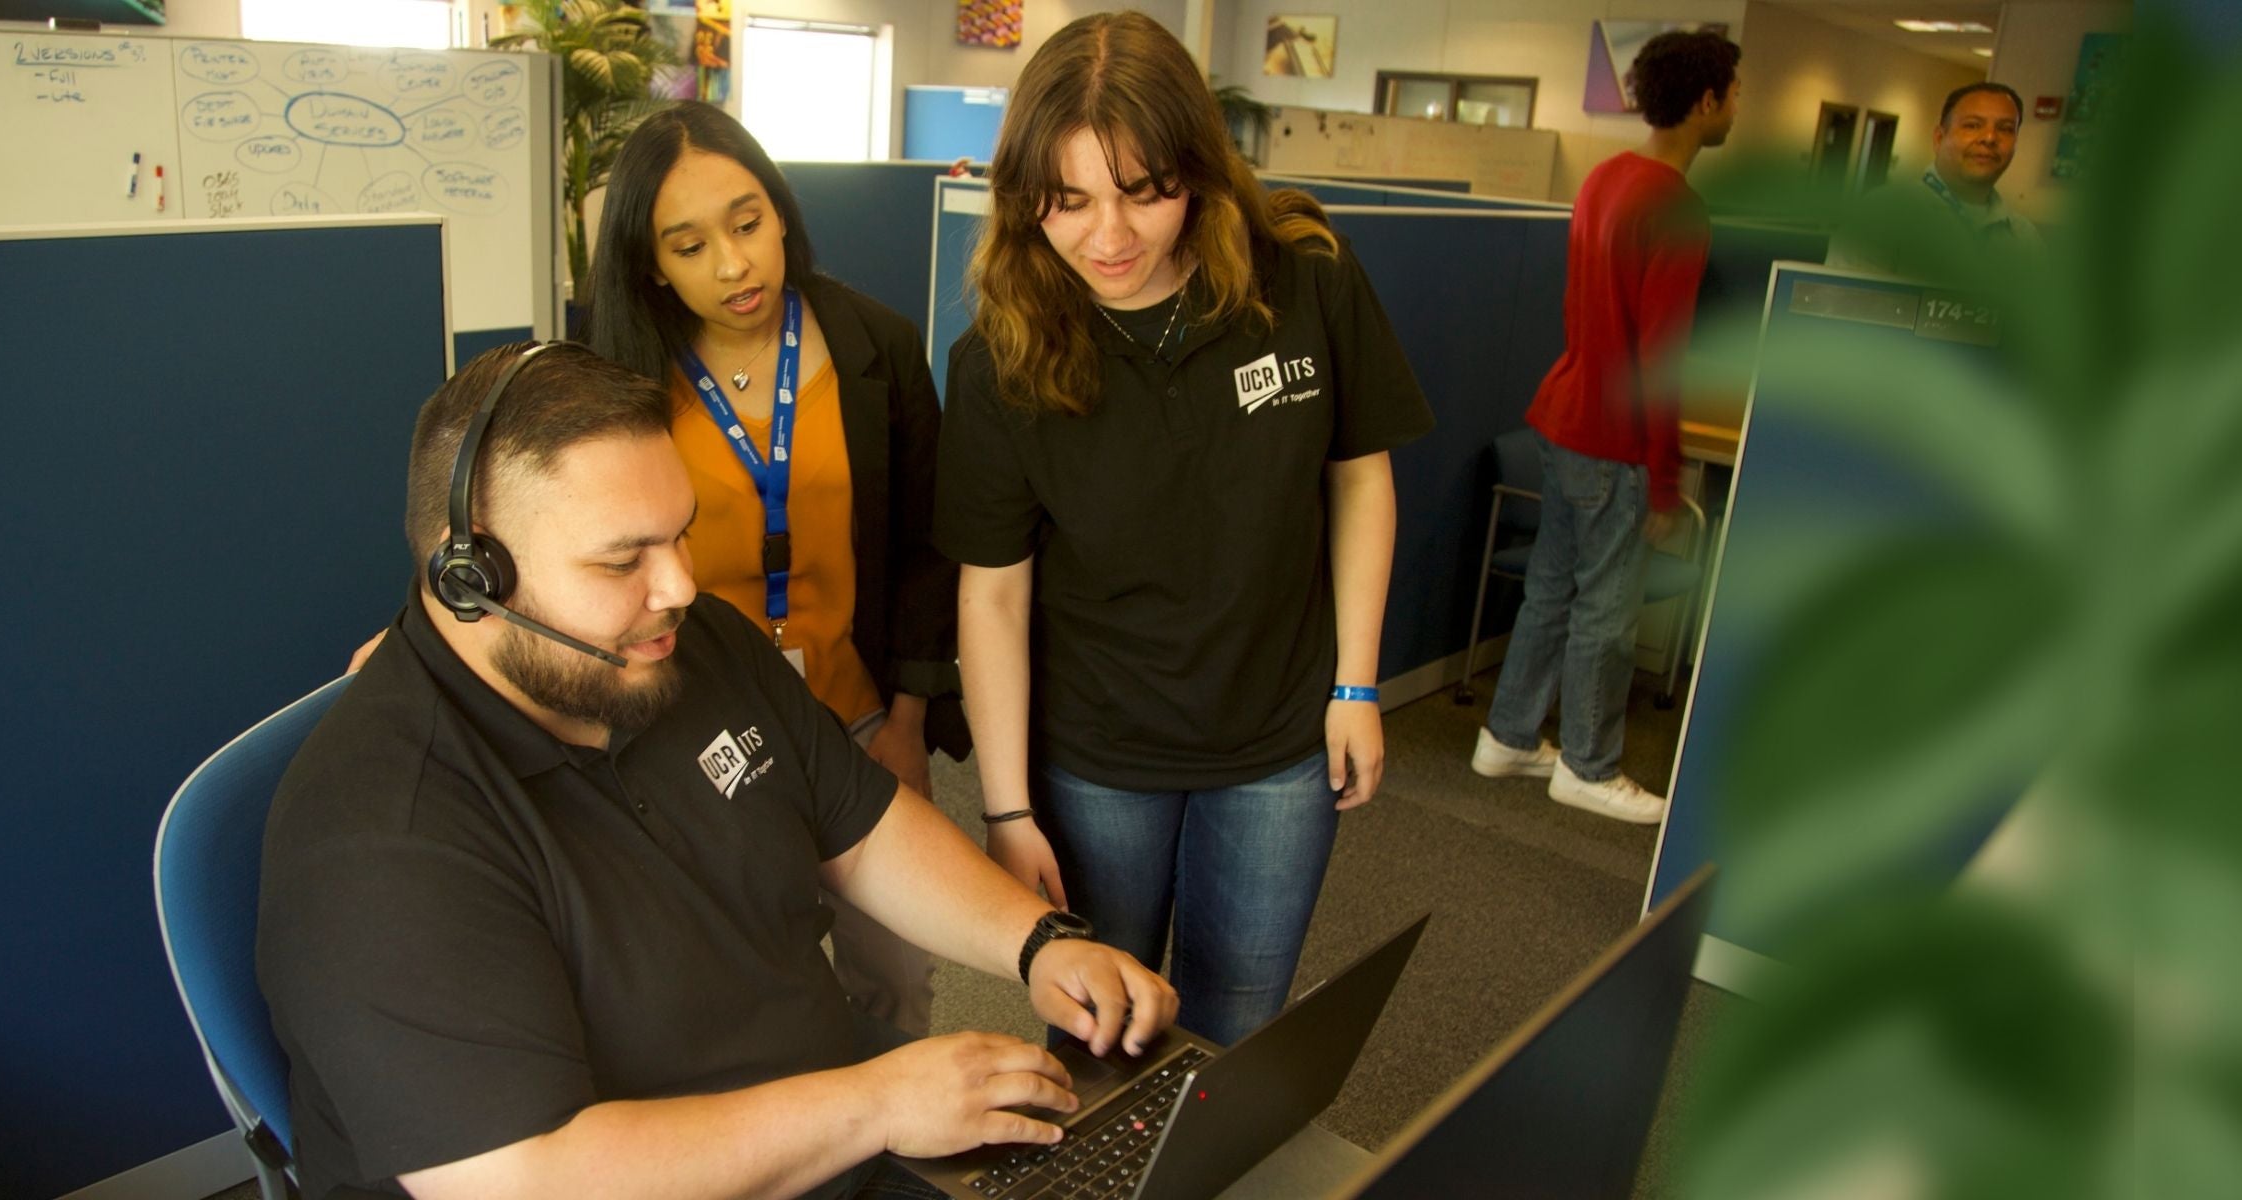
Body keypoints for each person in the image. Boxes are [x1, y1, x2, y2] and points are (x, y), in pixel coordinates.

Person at [260, 342, 1175, 1200]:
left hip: (819, 1129)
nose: (680, 587)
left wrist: (1037, 940)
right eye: (623, 561)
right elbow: (529, 1177)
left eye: (680, 536)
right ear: (471, 581)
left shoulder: (683, 650)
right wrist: (878, 1104)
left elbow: (860, 827)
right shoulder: (380, 834)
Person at [935, 11, 1431, 1049]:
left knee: (1240, 1020)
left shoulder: (1304, 278)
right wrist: (1008, 808)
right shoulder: (1000, 357)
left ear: (1196, 173)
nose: (1108, 237)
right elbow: (993, 592)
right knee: (1099, 1026)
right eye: (1068, 201)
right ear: (1024, 194)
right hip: (1097, 749)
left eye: (1144, 192)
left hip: (1279, 736)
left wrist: (1355, 683)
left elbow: (1360, 482)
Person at [587, 101, 959, 1039]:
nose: (733, 265)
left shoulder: (878, 345)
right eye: (688, 245)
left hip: (860, 711)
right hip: (696, 726)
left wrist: (909, 722)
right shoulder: (618, 381)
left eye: (747, 223)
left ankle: (896, 1171)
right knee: (745, 994)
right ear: (650, 264)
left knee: (895, 981)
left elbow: (925, 550)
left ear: (781, 210)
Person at [1468, 29, 1741, 824]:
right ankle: (1587, 765)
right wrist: (1664, 478)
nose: (1737, 108)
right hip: (1613, 438)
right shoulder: (1677, 208)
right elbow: (1660, 360)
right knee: (1608, 614)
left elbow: (1582, 314)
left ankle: (1509, 735)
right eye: (1734, 93)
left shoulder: (1606, 178)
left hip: (1564, 414)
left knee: (1552, 589)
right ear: (1705, 102)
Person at [1826, 82, 2042, 277]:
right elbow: (1841, 309)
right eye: (1973, 125)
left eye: (2005, 129)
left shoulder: (2024, 238)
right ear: (1939, 138)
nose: (1989, 138)